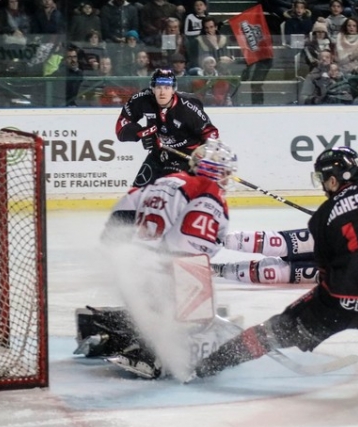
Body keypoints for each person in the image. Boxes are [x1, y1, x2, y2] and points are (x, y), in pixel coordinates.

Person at [193, 146, 358, 392]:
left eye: (323, 178)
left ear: (333, 179)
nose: (322, 184)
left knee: (272, 332)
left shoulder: (322, 217)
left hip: (339, 301)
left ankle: (212, 364)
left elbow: (324, 269)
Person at [74, 139, 239, 379]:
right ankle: (145, 347)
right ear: (212, 168)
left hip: (152, 267)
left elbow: (116, 229)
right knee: (176, 315)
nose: (227, 178)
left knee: (171, 314)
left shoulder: (175, 188)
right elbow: (179, 245)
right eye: (224, 172)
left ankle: (134, 336)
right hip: (156, 268)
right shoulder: (194, 190)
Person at [214, 224, 358, 286]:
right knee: (278, 243)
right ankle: (214, 238)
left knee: (274, 272)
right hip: (336, 240)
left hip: (343, 265)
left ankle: (218, 270)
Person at [115, 68, 219, 187]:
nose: (162, 92)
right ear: (152, 89)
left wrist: (206, 156)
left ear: (173, 90)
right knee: (136, 193)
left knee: (166, 192)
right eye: (158, 87)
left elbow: (211, 133)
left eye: (167, 87)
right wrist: (141, 133)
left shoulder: (188, 108)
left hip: (185, 156)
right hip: (158, 153)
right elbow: (120, 128)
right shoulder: (143, 99)